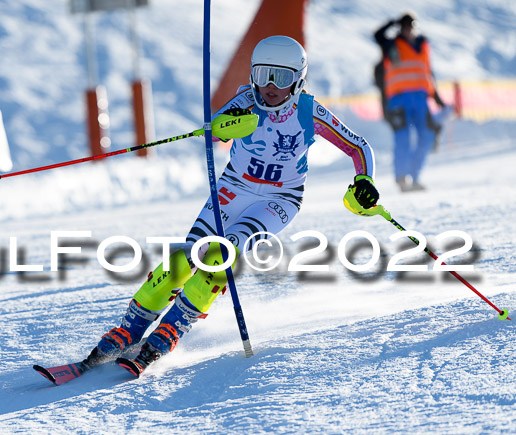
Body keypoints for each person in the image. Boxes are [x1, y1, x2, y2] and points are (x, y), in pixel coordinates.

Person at [75, 36, 380, 378]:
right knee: (183, 257)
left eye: (281, 78)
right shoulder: (247, 99)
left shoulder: (309, 112)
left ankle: (171, 328)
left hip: (278, 200)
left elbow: (359, 146)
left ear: (299, 80)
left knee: (221, 254)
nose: (269, 86)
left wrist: (364, 180)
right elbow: (214, 130)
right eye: (263, 74)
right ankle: (130, 329)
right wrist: (220, 124)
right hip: (233, 188)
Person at [374, 12, 447, 192]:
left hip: (421, 98)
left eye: (411, 27)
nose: (408, 31)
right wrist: (392, 22)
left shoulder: (423, 45)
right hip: (399, 98)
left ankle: (415, 177)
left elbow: (428, 72)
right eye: (405, 27)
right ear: (401, 28)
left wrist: (436, 97)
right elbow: (378, 35)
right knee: (403, 137)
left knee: (427, 136)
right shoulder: (392, 44)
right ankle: (401, 178)